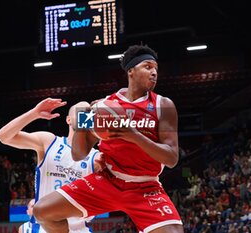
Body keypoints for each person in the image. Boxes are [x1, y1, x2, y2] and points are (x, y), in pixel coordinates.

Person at [33, 44, 183, 233]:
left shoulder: (163, 105)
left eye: (156, 69)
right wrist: (82, 121)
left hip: (145, 186)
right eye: (147, 66)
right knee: (42, 211)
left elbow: (171, 158)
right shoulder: (103, 106)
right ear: (131, 71)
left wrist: (134, 136)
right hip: (108, 181)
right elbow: (79, 154)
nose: (154, 72)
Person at [0, 98, 101, 233]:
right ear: (68, 119)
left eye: (89, 113)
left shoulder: (97, 157)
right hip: (44, 228)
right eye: (81, 111)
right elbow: (4, 137)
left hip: (79, 229)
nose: (85, 114)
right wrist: (34, 113)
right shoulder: (49, 142)